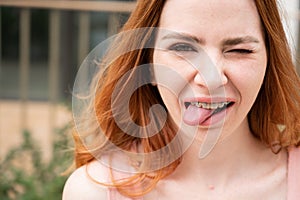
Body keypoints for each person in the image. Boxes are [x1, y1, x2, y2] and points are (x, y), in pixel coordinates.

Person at [63, 0, 300, 199]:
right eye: (183, 48)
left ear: (269, 63)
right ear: (148, 64)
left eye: (239, 50)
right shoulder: (94, 191)